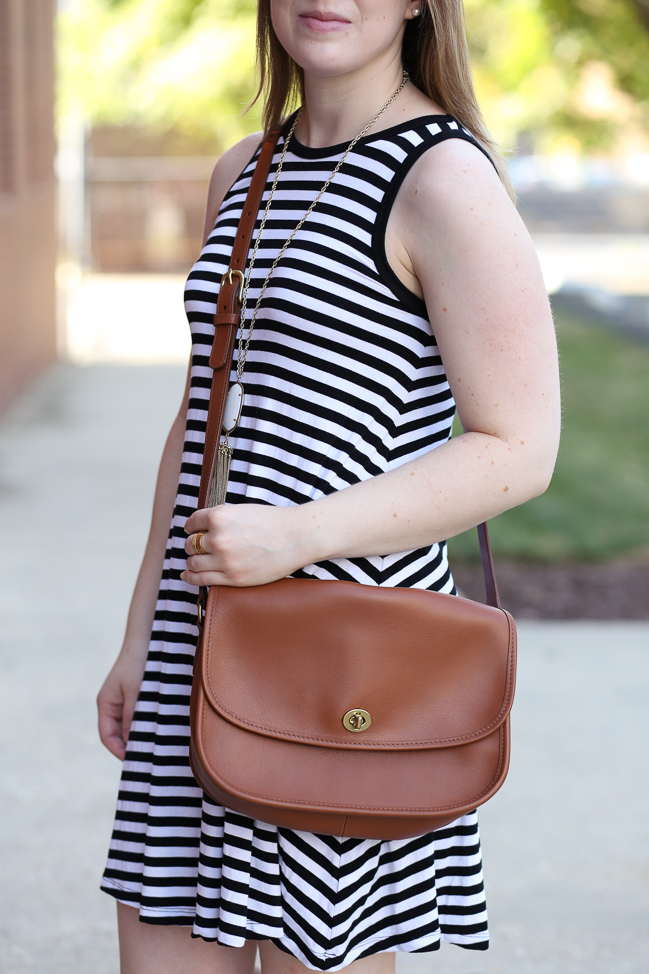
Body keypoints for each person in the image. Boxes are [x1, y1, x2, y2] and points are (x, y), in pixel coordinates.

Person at [97, 2, 561, 972]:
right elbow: (201, 419)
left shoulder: (442, 177)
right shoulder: (244, 169)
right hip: (203, 639)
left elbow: (519, 446)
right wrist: (142, 633)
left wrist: (294, 536)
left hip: (348, 667)